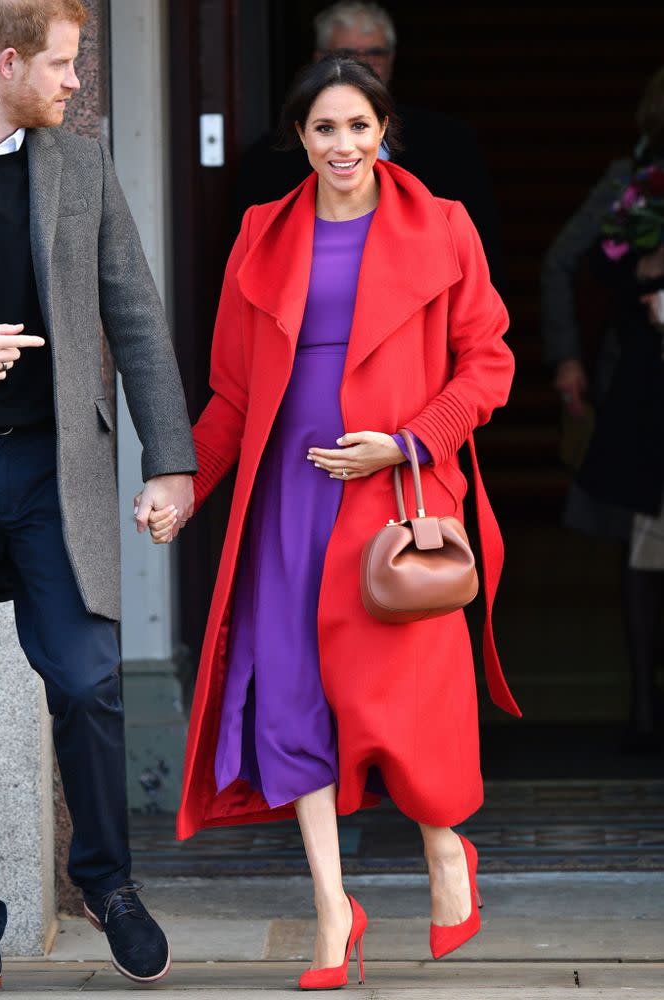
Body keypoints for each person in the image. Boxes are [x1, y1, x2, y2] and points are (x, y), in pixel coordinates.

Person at [150, 55, 519, 990]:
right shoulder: (260, 236)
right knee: (292, 699)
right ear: (300, 139)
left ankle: (446, 853)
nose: (342, 145)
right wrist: (186, 480)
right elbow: (233, 394)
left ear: (383, 129)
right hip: (288, 501)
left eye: (359, 126)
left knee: (398, 699)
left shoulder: (442, 226)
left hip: (395, 499)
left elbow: (488, 364)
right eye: (324, 129)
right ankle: (331, 909)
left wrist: (407, 443)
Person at [0, 0, 197, 985]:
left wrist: (171, 459)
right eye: (63, 65)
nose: (76, 83)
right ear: (8, 63)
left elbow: (135, 309)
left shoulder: (76, 164)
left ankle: (107, 883)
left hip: (46, 466)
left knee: (87, 678)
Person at [541, 66, 664, 751]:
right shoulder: (630, 180)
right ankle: (643, 704)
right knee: (643, 541)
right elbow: (564, 261)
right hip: (642, 381)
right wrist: (566, 359)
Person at [235, 1, 504, 288]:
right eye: (347, 54)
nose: (362, 64)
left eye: (375, 53)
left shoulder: (451, 146)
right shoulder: (266, 163)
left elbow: (481, 267)